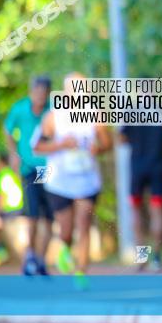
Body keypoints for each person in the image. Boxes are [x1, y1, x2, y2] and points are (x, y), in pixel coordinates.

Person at [33, 72, 113, 287]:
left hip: (87, 180)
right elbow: (37, 146)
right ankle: (65, 247)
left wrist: (99, 148)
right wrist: (61, 145)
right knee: (66, 230)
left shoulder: (96, 113)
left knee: (84, 224)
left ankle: (81, 273)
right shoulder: (54, 116)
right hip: (60, 181)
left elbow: (108, 144)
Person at [3, 75, 54, 275]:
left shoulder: (53, 109)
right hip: (29, 167)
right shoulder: (20, 109)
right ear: (31, 92)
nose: (40, 97)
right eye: (37, 93)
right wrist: (14, 154)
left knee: (49, 216)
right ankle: (30, 256)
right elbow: (8, 130)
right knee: (32, 214)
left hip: (50, 168)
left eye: (44, 93)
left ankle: (42, 259)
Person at [119, 112, 162, 273]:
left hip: (137, 165)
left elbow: (121, 138)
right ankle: (157, 257)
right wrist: (161, 139)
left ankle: (142, 258)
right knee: (156, 209)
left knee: (136, 209)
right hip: (158, 164)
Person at [0, 152, 24, 267]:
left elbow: (3, 196)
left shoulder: (3, 174)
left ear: (1, 162)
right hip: (20, 208)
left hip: (11, 209)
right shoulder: (13, 173)